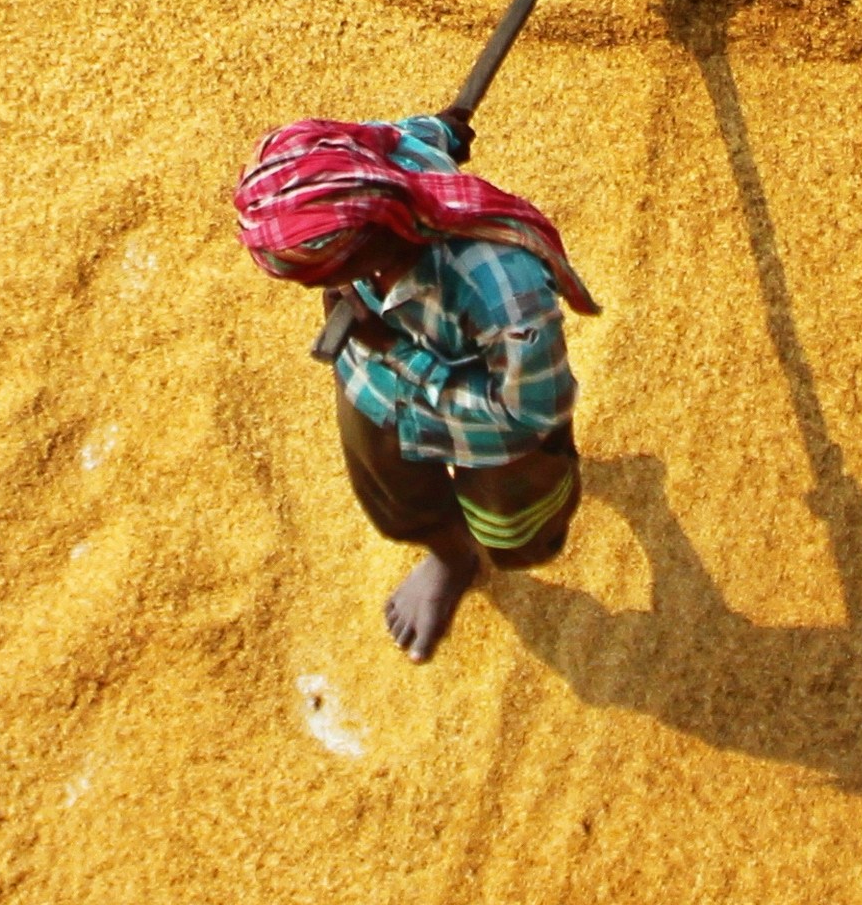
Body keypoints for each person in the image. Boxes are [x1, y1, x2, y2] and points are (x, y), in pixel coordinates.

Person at [234, 113, 596, 664]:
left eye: (325, 274)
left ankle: (501, 538)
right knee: (396, 503)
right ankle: (450, 559)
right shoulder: (373, 170)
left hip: (490, 431)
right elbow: (408, 135)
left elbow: (530, 415)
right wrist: (443, 128)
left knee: (516, 532)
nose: (321, 287)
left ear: (376, 237)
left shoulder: (504, 292)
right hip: (375, 387)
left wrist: (396, 352)